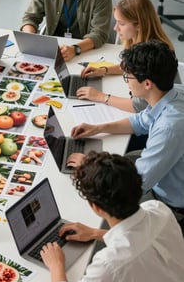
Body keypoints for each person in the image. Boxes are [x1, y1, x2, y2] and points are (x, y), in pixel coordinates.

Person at [17, 151, 184, 282]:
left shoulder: (111, 263)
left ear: (95, 207)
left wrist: (56, 266)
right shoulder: (160, 210)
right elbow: (137, 239)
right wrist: (97, 233)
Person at [68, 42, 184, 233]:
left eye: (128, 77)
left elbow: (134, 185)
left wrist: (88, 167)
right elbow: (139, 121)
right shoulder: (174, 92)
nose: (126, 82)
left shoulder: (169, 128)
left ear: (147, 83)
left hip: (167, 204)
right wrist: (99, 128)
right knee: (118, 160)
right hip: (160, 176)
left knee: (91, 198)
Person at [76, 0, 175, 113]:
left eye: (121, 24)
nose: (115, 28)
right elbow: (131, 67)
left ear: (138, 25)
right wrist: (104, 70)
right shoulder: (136, 40)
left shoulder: (153, 54)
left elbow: (139, 106)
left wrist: (100, 96)